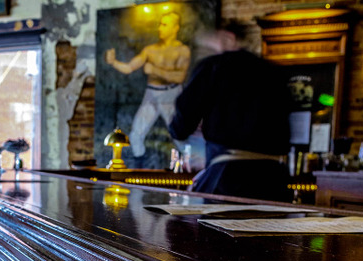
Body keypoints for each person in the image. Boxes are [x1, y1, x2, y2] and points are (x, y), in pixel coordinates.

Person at [168, 20, 292, 202]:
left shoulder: (213, 66)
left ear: (228, 38)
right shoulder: (275, 72)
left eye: (211, 45)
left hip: (228, 180)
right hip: (275, 180)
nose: (209, 51)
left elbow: (181, 126)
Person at [105, 12, 191, 165]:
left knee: (180, 137)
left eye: (165, 24)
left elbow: (179, 77)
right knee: (136, 134)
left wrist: (156, 71)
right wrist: (113, 62)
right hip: (151, 93)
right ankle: (139, 169)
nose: (160, 28)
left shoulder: (182, 50)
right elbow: (129, 67)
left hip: (171, 95)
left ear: (175, 28)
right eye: (160, 24)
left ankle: (188, 169)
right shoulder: (150, 50)